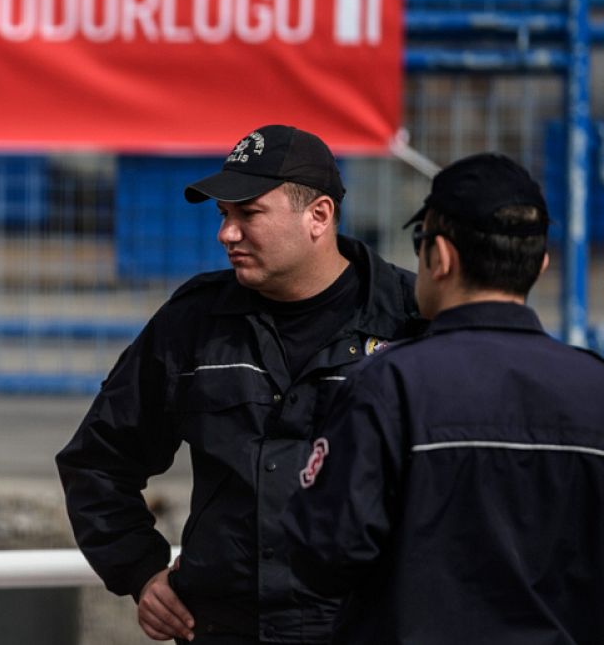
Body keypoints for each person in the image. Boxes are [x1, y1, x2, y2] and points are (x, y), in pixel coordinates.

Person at [55, 124, 420, 644]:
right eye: (224, 216)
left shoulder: (409, 320)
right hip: (227, 628)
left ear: (318, 216)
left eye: (249, 214)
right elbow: (98, 461)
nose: (226, 233)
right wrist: (139, 569)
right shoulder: (196, 321)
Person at [284, 153, 604, 643]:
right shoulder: (593, 388)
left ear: (441, 257)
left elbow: (323, 553)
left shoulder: (389, 386)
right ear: (540, 263)